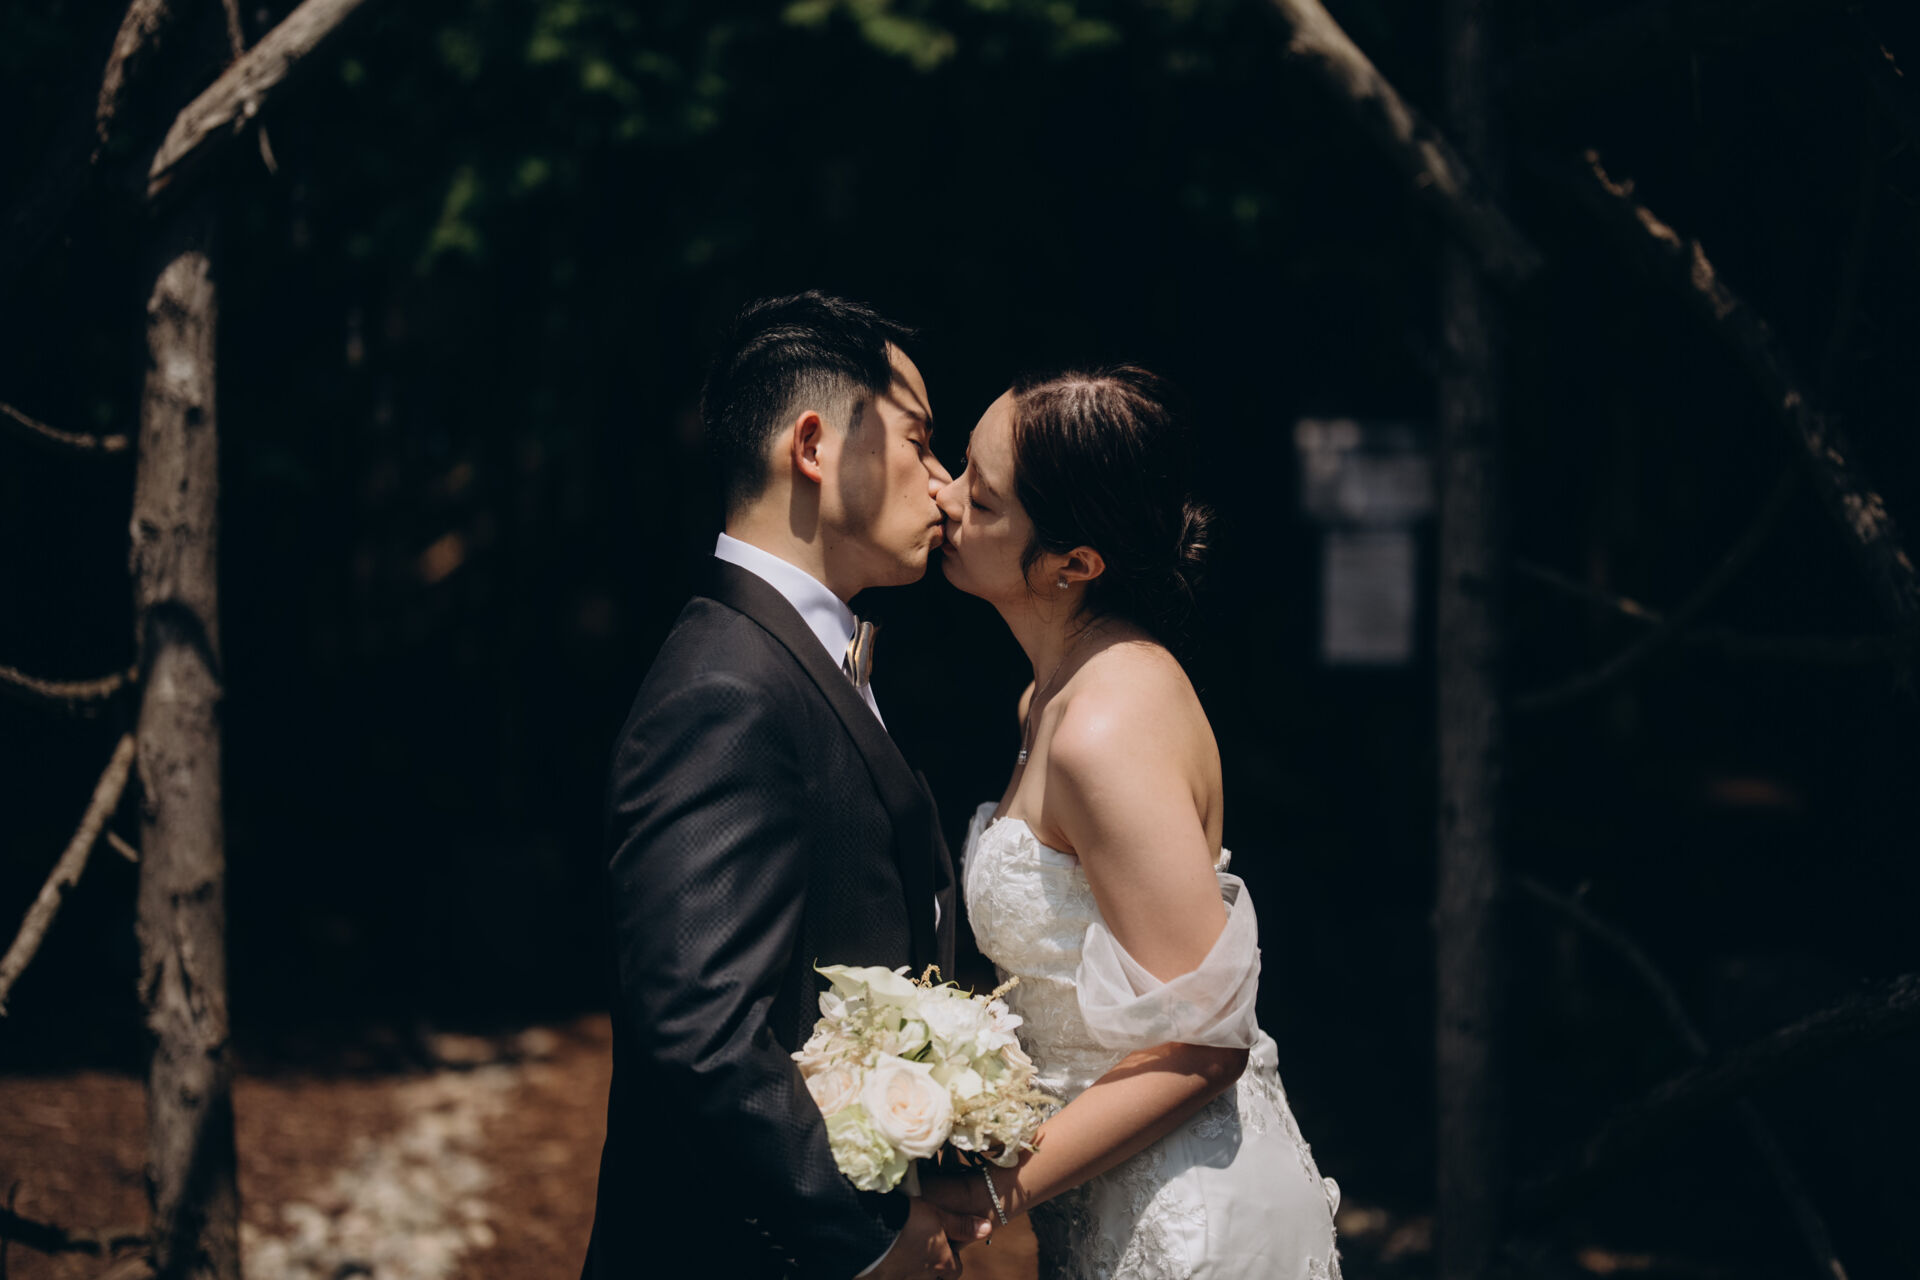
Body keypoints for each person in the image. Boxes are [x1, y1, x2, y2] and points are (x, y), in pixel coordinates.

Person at [582, 292, 989, 1280]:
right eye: (920, 439)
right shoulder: (724, 683)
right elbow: (701, 1029)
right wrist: (865, 1239)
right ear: (813, 445)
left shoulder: (795, 656)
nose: (944, 484)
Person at [922, 367, 1342, 1279]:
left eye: (981, 498)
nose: (943, 497)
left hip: (1191, 1224)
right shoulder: (1047, 698)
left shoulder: (1106, 728)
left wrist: (994, 1191)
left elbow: (1205, 1043)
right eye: (960, 467)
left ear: (1073, 564)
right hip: (1102, 1204)